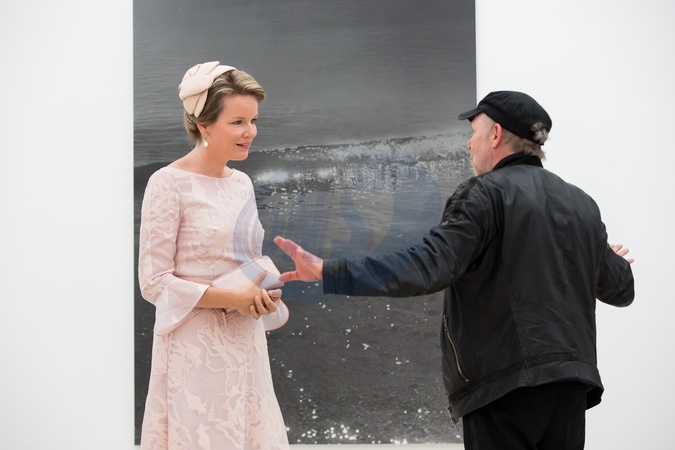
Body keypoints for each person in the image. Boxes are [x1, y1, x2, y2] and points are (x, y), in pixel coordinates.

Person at [273, 91, 635, 450]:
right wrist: (602, 256)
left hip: (504, 388)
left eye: (473, 133)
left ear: (495, 135)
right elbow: (621, 289)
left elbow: (429, 266)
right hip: (570, 387)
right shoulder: (582, 204)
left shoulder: (483, 193)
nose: (468, 144)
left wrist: (330, 272)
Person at [138, 61, 290, 450]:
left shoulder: (242, 184)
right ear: (204, 124)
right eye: (238, 121)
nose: (250, 131)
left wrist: (264, 293)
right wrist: (231, 298)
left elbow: (248, 262)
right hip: (195, 345)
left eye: (253, 120)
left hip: (245, 338)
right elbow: (153, 282)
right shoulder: (167, 183)